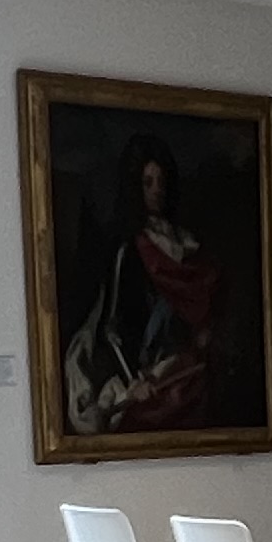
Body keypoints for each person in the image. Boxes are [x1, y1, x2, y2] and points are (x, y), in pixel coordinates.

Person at [65, 137, 219, 431]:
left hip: (177, 368)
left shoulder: (183, 244)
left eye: (161, 181)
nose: (157, 190)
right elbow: (111, 328)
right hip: (139, 374)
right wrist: (131, 382)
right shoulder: (128, 250)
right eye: (148, 182)